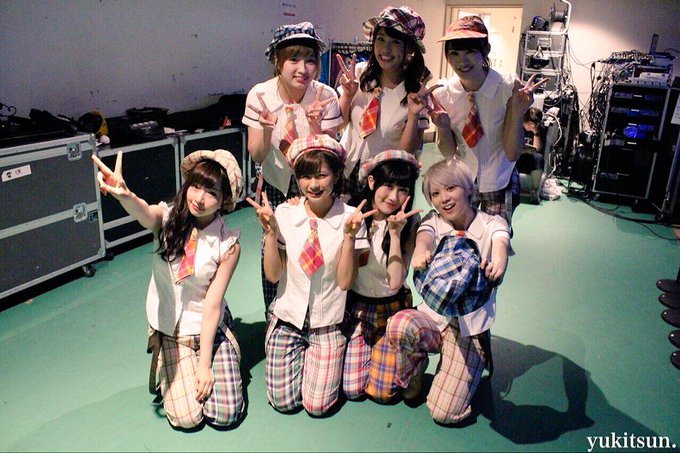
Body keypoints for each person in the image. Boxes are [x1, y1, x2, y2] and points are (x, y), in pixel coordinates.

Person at [91, 149, 244, 429]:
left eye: (211, 192)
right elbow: (145, 213)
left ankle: (215, 355)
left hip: (208, 325)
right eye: (195, 186)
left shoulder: (228, 244)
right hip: (172, 328)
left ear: (224, 200)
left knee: (226, 414)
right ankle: (170, 359)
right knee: (187, 419)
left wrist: (205, 365)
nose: (199, 198)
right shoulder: (168, 217)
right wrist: (125, 195)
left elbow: (212, 305)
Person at [246, 134, 371, 416]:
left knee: (318, 406)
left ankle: (329, 356)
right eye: (305, 176)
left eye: (321, 175)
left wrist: (349, 238)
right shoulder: (284, 213)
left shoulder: (351, 218)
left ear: (336, 175)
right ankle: (303, 358)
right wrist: (270, 233)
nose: (313, 185)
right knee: (283, 402)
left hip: (326, 323)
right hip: (288, 319)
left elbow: (344, 282)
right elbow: (273, 276)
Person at [385, 158, 510, 424]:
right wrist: (420, 251)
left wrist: (498, 263)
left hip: (468, 327)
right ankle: (416, 370)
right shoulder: (433, 220)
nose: (444, 199)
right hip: (434, 316)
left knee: (445, 413)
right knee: (400, 325)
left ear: (468, 189)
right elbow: (424, 237)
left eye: (451, 188)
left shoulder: (492, 222)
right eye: (435, 193)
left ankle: (466, 363)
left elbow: (500, 243)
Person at [242, 21, 343, 312]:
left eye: (310, 60)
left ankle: (315, 314)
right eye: (293, 59)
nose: (303, 69)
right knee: (274, 247)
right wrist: (264, 129)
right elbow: (257, 155)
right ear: (277, 61)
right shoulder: (260, 95)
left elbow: (329, 156)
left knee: (317, 248)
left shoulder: (325, 96)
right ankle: (274, 314)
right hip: (276, 184)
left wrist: (315, 125)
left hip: (315, 186)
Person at [429, 15, 547, 225]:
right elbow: (448, 152)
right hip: (463, 181)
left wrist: (518, 111)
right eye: (454, 53)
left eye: (470, 52)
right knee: (463, 238)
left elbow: (513, 153)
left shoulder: (507, 88)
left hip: (500, 179)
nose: (462, 61)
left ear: (486, 51)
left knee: (495, 239)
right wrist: (443, 128)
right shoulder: (443, 94)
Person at [343, 150, 422, 402]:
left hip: (392, 309)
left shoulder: (410, 222)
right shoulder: (352, 213)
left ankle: (414, 359)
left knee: (383, 394)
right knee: (351, 389)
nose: (394, 197)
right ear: (371, 182)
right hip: (358, 307)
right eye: (388, 185)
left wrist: (395, 235)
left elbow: (396, 282)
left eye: (403, 190)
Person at [335, 5, 433, 196]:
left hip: (385, 181)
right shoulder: (359, 74)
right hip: (347, 170)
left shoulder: (417, 93)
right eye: (380, 39)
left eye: (395, 42)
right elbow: (340, 124)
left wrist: (413, 115)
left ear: (409, 48)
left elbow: (407, 153)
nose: (385, 49)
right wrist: (347, 95)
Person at [516, 106, 546, 198]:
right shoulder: (518, 127)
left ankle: (534, 190)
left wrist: (535, 133)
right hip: (518, 158)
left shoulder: (540, 130)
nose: (528, 125)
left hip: (530, 161)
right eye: (526, 123)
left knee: (539, 157)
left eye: (531, 124)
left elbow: (538, 148)